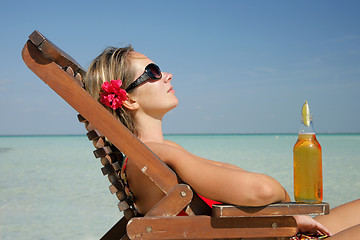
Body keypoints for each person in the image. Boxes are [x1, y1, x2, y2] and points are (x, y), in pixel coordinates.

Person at [83, 46, 360, 239]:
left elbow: (244, 183)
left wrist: (286, 216)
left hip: (276, 231)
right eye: (153, 72)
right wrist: (282, 211)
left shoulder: (156, 156)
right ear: (129, 100)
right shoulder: (156, 155)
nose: (167, 75)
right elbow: (263, 190)